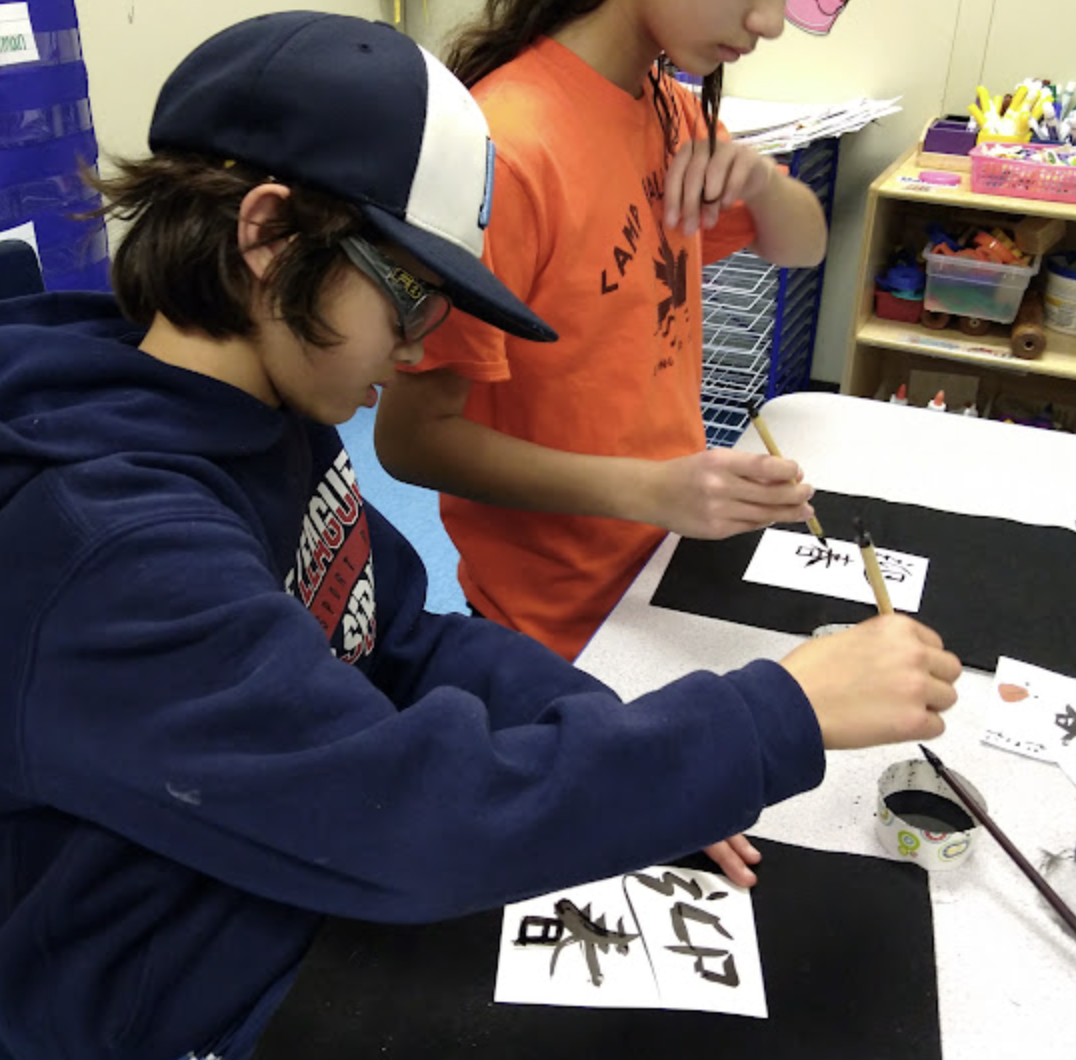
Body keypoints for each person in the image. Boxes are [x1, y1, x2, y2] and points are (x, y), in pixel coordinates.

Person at [0, 12, 962, 1060]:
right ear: (270, 235)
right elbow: (403, 817)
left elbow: (409, 637)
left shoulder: (267, 415)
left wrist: (649, 753)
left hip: (300, 868)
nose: (418, 343)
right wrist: (770, 714)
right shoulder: (113, 546)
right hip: (184, 983)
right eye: (408, 291)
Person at [374, 0, 829, 664]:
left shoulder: (663, 104)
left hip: (656, 560)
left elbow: (804, 246)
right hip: (554, 621)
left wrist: (760, 181)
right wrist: (651, 490)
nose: (769, 23)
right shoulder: (512, 146)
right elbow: (411, 440)